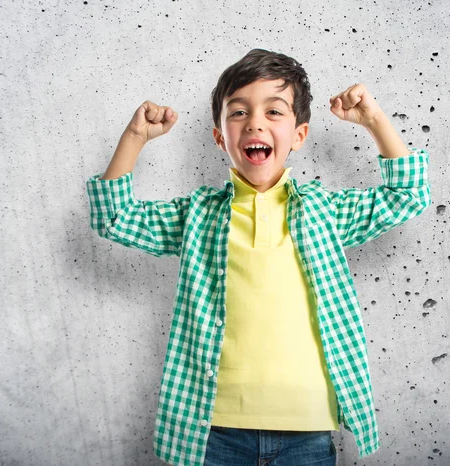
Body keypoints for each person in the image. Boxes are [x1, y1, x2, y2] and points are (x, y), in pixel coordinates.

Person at [86, 48, 431, 466]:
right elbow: (114, 216)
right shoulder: (199, 215)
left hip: (308, 431)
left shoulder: (325, 211)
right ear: (220, 138)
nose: (255, 122)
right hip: (215, 431)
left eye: (274, 112)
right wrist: (134, 138)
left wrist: (374, 120)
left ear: (299, 135)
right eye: (238, 113)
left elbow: (408, 194)